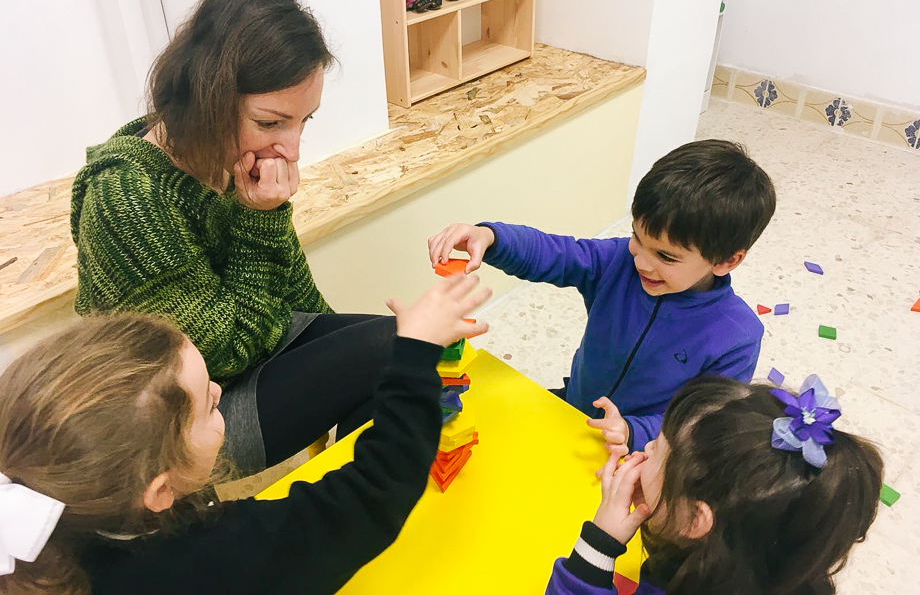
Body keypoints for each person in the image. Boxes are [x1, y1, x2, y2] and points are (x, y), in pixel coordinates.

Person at [70, 0, 409, 475]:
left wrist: (345, 349)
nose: (292, 149)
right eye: (270, 123)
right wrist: (261, 218)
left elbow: (293, 290)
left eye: (304, 121)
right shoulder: (127, 196)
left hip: (252, 347)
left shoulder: (225, 153)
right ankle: (353, 500)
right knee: (395, 350)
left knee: (399, 353)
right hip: (182, 422)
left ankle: (363, 496)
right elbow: (223, 355)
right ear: (207, 100)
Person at [0, 273, 491, 595]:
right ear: (159, 490)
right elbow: (373, 494)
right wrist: (414, 356)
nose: (219, 390)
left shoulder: (45, 514)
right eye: (209, 403)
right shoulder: (217, 558)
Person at [427, 140, 776, 456]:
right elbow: (557, 254)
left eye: (665, 256)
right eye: (637, 237)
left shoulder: (737, 336)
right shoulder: (617, 261)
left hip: (642, 452)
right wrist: (491, 238)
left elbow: (704, 420)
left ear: (726, 260)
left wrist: (633, 432)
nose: (641, 262)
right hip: (574, 409)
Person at [546, 375, 884, 594]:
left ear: (696, 519)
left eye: (657, 449)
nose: (645, 449)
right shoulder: (778, 553)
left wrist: (600, 542)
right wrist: (665, 509)